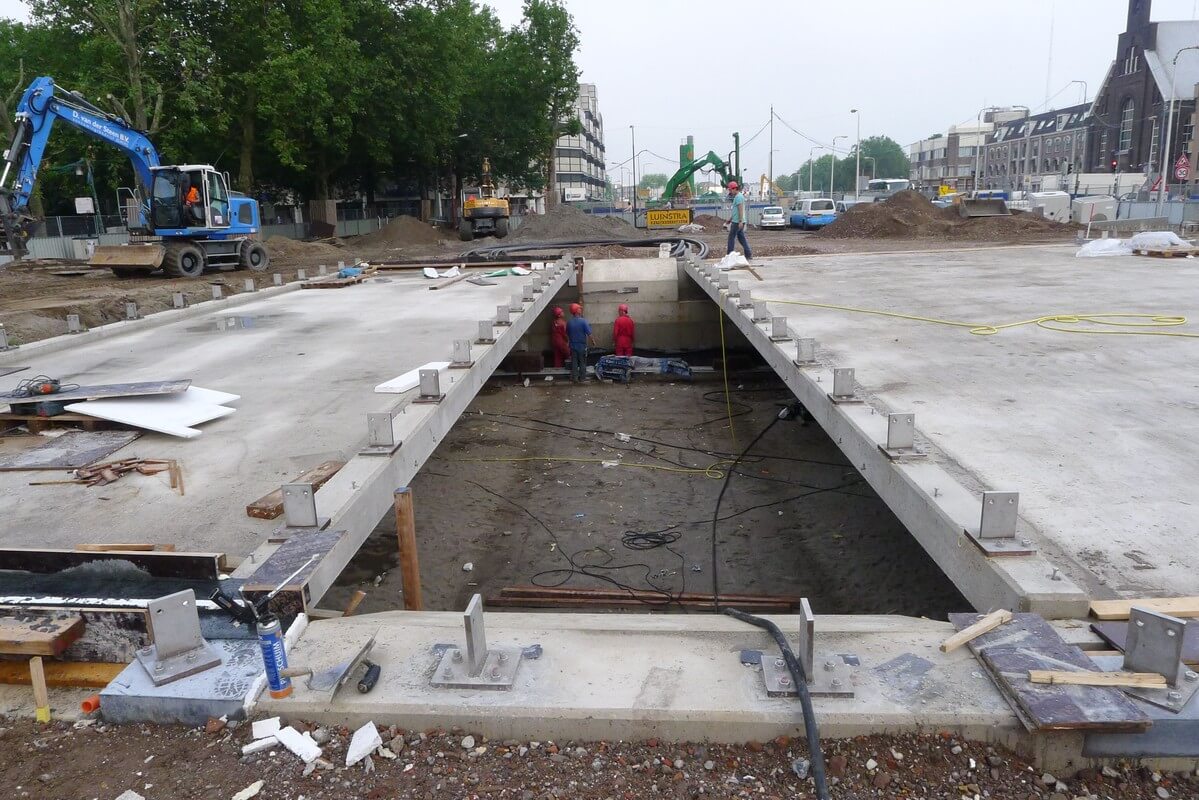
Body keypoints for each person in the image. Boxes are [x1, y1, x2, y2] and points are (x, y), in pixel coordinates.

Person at [566, 302, 595, 383]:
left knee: (574, 362)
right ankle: (582, 378)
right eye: (579, 308)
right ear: (576, 310)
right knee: (582, 362)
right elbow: (589, 333)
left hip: (572, 345)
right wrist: (593, 341)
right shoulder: (583, 321)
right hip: (581, 345)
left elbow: (567, 333)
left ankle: (575, 378)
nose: (580, 310)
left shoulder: (569, 322)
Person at [726, 180, 753, 261]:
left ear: (735, 188)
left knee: (731, 238)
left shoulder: (738, 197)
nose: (730, 191)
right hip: (736, 220)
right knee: (741, 238)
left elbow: (740, 210)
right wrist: (730, 219)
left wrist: (740, 221)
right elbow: (736, 211)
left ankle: (729, 255)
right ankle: (748, 254)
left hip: (737, 222)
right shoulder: (738, 196)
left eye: (730, 190)